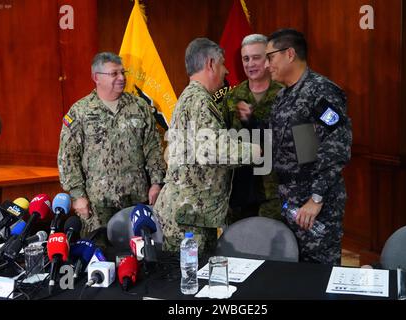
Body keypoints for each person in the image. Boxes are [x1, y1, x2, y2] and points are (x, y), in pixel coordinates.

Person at [154, 38, 259, 254]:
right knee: (190, 280)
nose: (227, 70)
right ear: (211, 64)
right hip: (189, 217)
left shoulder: (192, 98)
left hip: (192, 212)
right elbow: (214, 149)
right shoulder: (199, 101)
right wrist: (258, 150)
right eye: (222, 63)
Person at [266, 29, 352, 265]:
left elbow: (336, 146)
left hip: (315, 204)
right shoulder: (282, 96)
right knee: (292, 271)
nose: (267, 64)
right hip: (289, 201)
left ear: (290, 54)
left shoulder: (320, 91)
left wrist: (316, 198)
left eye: (270, 57)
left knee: (319, 274)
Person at [58, 52, 166, 239]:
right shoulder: (80, 112)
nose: (122, 78)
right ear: (96, 77)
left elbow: (154, 148)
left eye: (122, 72)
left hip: (137, 200)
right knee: (100, 257)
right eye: (114, 74)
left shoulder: (139, 107)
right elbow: (68, 157)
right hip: (97, 205)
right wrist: (77, 195)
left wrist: (156, 183)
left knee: (139, 256)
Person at [221, 34, 283, 223]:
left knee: (271, 248)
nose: (250, 64)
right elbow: (223, 139)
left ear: (268, 60)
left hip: (274, 191)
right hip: (240, 192)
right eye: (245, 59)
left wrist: (253, 121)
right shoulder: (232, 97)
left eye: (256, 57)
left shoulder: (283, 94)